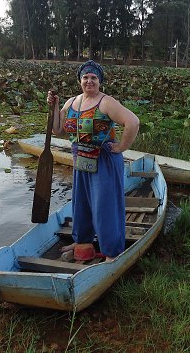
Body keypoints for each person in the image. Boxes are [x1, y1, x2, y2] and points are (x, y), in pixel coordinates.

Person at [47, 60, 140, 261]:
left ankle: (111, 252)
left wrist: (121, 147)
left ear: (100, 81)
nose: (89, 81)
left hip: (104, 160)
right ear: (80, 80)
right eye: (85, 77)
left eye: (93, 77)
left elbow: (133, 122)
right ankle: (82, 242)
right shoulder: (71, 102)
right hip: (80, 159)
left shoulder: (106, 102)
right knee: (81, 202)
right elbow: (58, 130)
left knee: (104, 206)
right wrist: (54, 107)